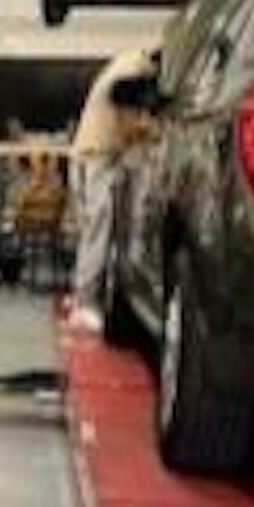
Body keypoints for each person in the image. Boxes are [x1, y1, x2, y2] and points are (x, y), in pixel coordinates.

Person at [69, 45, 160, 329]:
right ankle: (84, 304)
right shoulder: (135, 70)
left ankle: (84, 296)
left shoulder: (128, 61)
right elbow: (127, 116)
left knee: (96, 230)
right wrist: (153, 129)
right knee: (99, 230)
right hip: (98, 156)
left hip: (94, 155)